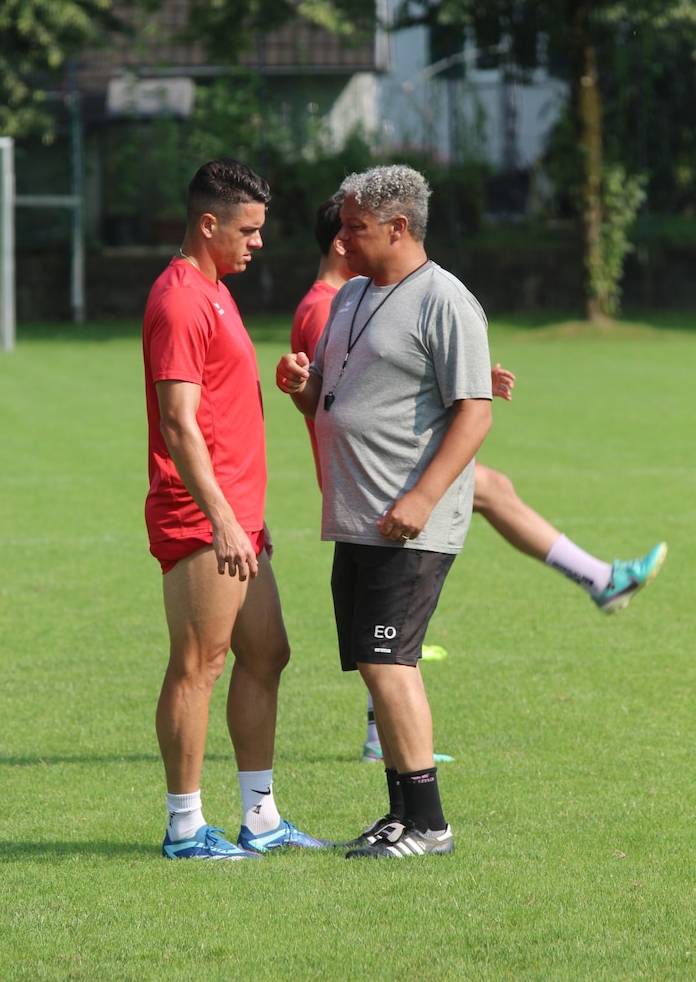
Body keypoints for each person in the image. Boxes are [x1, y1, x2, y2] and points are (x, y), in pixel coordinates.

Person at [292, 196, 668, 767]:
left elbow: (394, 373)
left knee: (490, 494)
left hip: (391, 474)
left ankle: (599, 579)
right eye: (346, 229)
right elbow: (350, 394)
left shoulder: (391, 296)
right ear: (340, 241)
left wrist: (463, 372)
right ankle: (598, 578)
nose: (350, 238)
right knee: (388, 646)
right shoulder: (335, 305)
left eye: (356, 226)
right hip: (375, 481)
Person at [278, 164, 494, 858]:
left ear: (399, 227)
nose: (342, 240)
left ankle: (429, 823)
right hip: (359, 513)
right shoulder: (350, 299)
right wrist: (302, 390)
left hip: (410, 522)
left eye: (355, 227)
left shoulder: (445, 301)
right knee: (376, 664)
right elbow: (333, 405)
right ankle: (400, 815)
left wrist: (423, 496)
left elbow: (474, 412)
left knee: (390, 659)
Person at [143, 157, 326, 859]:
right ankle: (186, 827)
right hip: (199, 519)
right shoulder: (181, 299)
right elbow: (180, 423)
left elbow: (220, 404)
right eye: (247, 230)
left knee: (268, 653)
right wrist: (220, 514)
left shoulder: (214, 291)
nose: (258, 242)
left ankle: (260, 818)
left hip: (237, 515)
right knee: (198, 665)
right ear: (207, 222)